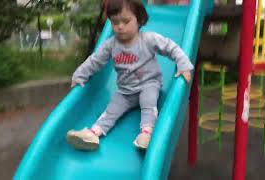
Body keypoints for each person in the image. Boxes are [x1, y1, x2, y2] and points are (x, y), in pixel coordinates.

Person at [66, 0, 193, 151]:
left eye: (126, 21)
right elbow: (95, 61)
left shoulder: (148, 39)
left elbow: (171, 48)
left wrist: (183, 64)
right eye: (114, 22)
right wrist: (80, 75)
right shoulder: (111, 45)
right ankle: (93, 133)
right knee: (111, 110)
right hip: (125, 91)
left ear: (138, 20)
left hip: (148, 84)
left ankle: (146, 134)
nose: (120, 26)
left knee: (148, 103)